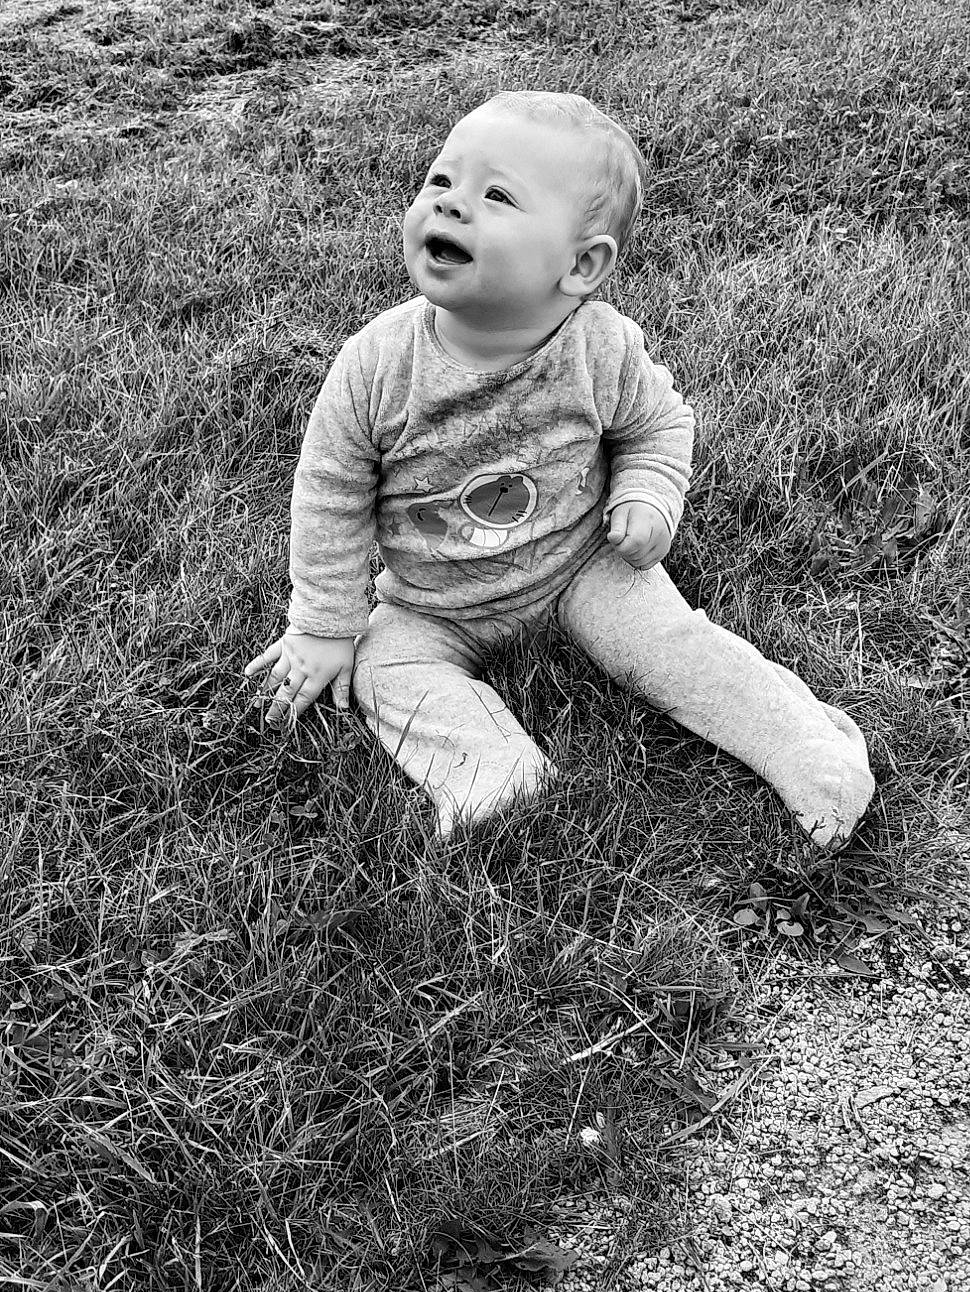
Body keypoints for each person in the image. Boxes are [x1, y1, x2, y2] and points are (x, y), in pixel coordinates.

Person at [245, 91, 874, 850]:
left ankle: (808, 748)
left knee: (672, 647)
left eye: (496, 195)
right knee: (384, 669)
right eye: (440, 181)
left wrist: (648, 492)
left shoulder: (599, 349)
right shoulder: (377, 363)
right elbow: (329, 493)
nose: (451, 206)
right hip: (430, 602)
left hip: (582, 566)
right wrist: (323, 625)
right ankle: (494, 773)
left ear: (581, 265)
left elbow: (658, 426)